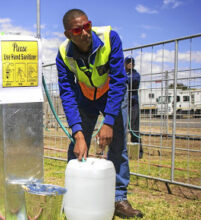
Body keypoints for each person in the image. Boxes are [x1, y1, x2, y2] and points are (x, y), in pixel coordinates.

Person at [56, 9, 143, 218]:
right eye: (78, 29)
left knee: (118, 145)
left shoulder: (110, 38)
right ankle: (74, 196)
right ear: (69, 34)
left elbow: (119, 80)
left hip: (111, 94)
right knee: (77, 147)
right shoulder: (62, 54)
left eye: (87, 26)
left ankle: (118, 199)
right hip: (85, 98)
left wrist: (109, 121)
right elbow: (67, 93)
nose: (85, 32)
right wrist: (78, 134)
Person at [125, 56, 143, 159]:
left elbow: (132, 81)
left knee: (134, 129)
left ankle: (138, 152)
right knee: (122, 128)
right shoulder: (124, 74)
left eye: (132, 62)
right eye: (128, 62)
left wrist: (122, 78)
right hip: (123, 104)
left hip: (133, 105)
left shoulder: (135, 75)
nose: (130, 64)